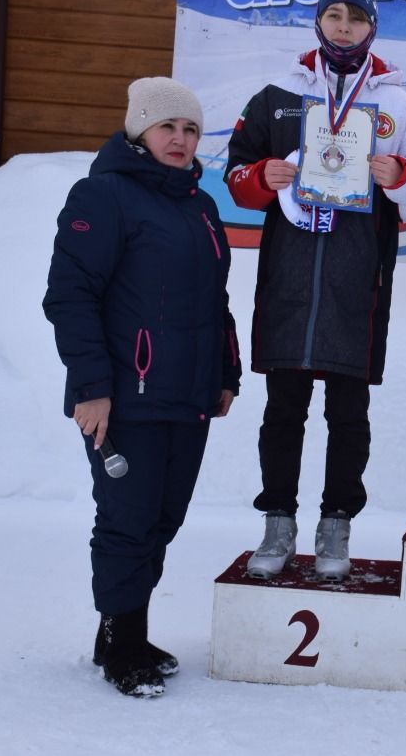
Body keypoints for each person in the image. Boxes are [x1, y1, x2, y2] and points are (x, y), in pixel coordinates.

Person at [225, 0, 406, 582]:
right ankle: (277, 522)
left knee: (349, 414)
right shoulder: (279, 94)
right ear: (319, 22)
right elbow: (236, 176)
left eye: (356, 18)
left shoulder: (398, 105)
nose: (344, 27)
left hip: (357, 281)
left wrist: (397, 174)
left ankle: (337, 523)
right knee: (283, 410)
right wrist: (262, 175)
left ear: (372, 27)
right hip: (290, 278)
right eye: (334, 15)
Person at [43, 76, 241, 698]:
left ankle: (122, 629)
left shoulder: (200, 206)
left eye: (189, 130)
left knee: (163, 517)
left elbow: (216, 302)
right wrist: (91, 387)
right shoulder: (102, 196)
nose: (180, 140)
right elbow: (70, 297)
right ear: (139, 131)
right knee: (128, 519)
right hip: (125, 396)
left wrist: (226, 373)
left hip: (187, 395)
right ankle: (122, 643)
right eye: (167, 128)